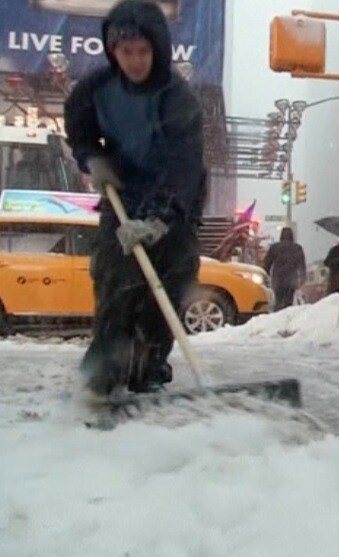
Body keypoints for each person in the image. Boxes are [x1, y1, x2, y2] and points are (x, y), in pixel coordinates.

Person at [66, 0, 205, 396]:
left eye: (143, 51)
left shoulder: (178, 97)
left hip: (174, 200)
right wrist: (92, 157)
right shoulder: (94, 90)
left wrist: (160, 217)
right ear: (113, 51)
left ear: (158, 49)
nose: (135, 61)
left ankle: (148, 367)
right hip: (123, 193)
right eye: (126, 52)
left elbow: (184, 165)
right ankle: (103, 373)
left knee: (172, 276)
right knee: (116, 278)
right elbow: (79, 125)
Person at [263, 227, 307, 311]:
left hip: (277, 279)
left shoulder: (275, 247)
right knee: (288, 301)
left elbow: (267, 264)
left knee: (278, 299)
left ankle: (278, 314)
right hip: (291, 279)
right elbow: (302, 265)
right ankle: (286, 315)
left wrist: (265, 277)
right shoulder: (297, 248)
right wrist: (302, 279)